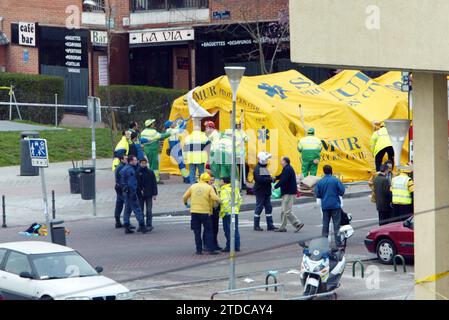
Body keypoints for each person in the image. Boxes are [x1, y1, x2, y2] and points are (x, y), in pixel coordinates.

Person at [183, 173, 220, 255]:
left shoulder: (193, 186)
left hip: (194, 212)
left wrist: (186, 203)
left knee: (197, 232)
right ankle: (211, 249)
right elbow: (214, 197)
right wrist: (219, 202)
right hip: (205, 212)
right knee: (208, 231)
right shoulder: (209, 188)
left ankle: (198, 250)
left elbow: (185, 197)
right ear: (207, 180)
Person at [314, 165, 346, 248]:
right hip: (335, 205)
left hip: (325, 206)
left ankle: (324, 243)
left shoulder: (320, 182)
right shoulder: (336, 180)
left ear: (324, 172)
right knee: (336, 225)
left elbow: (318, 194)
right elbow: (342, 192)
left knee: (325, 225)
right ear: (331, 171)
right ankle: (338, 243)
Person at [120, 155, 150, 234]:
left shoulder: (124, 169)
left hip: (125, 192)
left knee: (127, 209)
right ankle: (142, 225)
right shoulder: (131, 170)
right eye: (135, 160)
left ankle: (126, 225)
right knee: (137, 208)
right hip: (131, 192)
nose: (136, 161)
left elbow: (122, 181)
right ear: (131, 161)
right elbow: (131, 183)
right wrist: (133, 192)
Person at [274, 157, 304, 233]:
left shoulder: (287, 169)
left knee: (286, 210)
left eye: (281, 160)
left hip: (289, 192)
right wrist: (275, 178)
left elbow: (284, 180)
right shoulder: (286, 168)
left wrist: (275, 186)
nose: (280, 161)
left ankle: (298, 224)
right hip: (287, 192)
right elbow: (281, 176)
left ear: (285, 161)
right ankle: (283, 227)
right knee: (284, 210)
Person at [253, 152, 278, 231]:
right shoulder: (258, 169)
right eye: (266, 159)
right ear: (263, 160)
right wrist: (270, 179)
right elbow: (261, 180)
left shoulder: (262, 168)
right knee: (259, 207)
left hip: (265, 191)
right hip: (260, 191)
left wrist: (270, 179)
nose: (267, 160)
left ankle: (270, 225)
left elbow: (266, 178)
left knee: (268, 208)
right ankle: (256, 225)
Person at [140, 119, 171, 183]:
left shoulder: (143, 132)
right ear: (150, 125)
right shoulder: (153, 131)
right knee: (155, 165)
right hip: (153, 149)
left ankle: (151, 178)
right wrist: (169, 133)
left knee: (151, 164)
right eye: (152, 123)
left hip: (147, 149)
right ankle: (156, 180)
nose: (153, 124)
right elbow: (161, 136)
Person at [220, 177, 242, 252]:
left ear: (224, 182)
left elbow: (223, 201)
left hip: (227, 213)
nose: (220, 182)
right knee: (235, 229)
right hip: (234, 212)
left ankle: (230, 246)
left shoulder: (224, 190)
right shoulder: (235, 188)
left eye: (221, 181)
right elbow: (240, 199)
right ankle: (237, 245)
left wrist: (225, 211)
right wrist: (236, 209)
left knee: (228, 230)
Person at [165, 119, 190, 184]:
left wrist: (186, 119)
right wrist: (184, 123)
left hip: (176, 148)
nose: (174, 124)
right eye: (172, 123)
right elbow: (181, 129)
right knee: (181, 163)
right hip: (175, 149)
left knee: (181, 163)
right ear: (170, 126)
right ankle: (187, 178)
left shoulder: (172, 129)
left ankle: (185, 178)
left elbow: (180, 126)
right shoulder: (170, 130)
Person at [137, 158, 158, 231]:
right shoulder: (137, 172)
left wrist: (155, 194)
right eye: (142, 163)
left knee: (149, 210)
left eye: (145, 163)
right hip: (140, 195)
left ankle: (149, 224)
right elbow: (136, 184)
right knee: (140, 210)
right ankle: (141, 225)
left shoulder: (150, 172)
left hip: (149, 194)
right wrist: (139, 191)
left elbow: (154, 183)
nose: (143, 164)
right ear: (140, 163)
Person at [114, 155, 128, 229]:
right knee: (126, 204)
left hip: (118, 187)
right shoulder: (122, 167)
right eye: (126, 158)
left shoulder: (119, 166)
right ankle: (125, 221)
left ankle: (117, 221)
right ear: (122, 160)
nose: (127, 159)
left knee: (119, 204)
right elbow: (122, 179)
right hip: (121, 188)